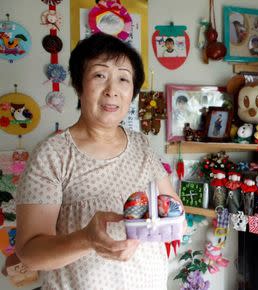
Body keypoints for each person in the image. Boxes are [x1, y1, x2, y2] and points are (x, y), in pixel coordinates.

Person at [15, 32, 184, 290]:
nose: (112, 90)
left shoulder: (141, 145)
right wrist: (86, 239)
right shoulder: (52, 155)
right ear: (79, 85)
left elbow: (173, 209)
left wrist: (165, 222)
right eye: (99, 75)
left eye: (124, 79)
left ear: (133, 92)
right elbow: (29, 253)